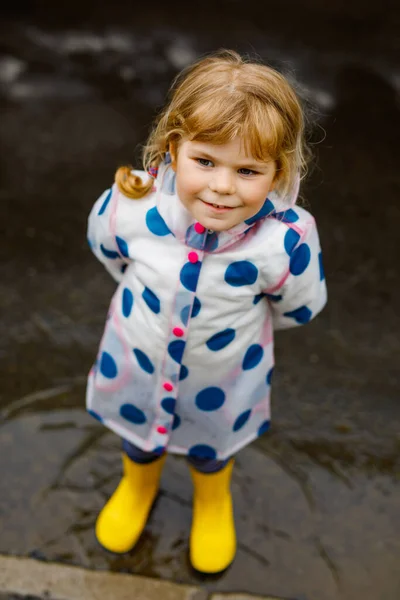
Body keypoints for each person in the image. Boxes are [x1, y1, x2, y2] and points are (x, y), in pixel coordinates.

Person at [86, 48, 327, 573]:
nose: (222, 186)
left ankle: (213, 501)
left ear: (277, 170)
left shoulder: (286, 239)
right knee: (137, 432)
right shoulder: (133, 203)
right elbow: (109, 251)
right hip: (139, 356)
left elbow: (300, 304)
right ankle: (137, 485)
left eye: (247, 170)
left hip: (224, 373)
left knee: (211, 445)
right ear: (174, 148)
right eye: (205, 161)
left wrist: (246, 328)